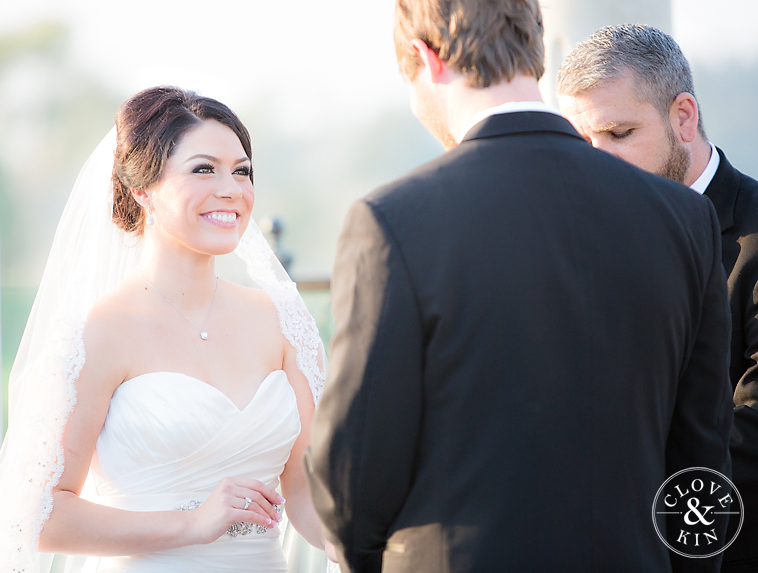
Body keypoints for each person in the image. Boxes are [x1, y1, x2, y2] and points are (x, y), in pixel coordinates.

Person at [304, 1, 733, 571]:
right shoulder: (683, 217)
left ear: (425, 58)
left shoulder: (392, 220)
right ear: (535, 47)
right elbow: (701, 460)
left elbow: (353, 474)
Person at [0, 87, 333, 572]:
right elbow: (41, 517)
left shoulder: (283, 322)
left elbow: (305, 493)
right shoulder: (99, 330)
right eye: (204, 169)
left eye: (242, 170)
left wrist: (378, 549)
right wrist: (190, 525)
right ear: (142, 191)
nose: (231, 188)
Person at [557, 25, 758, 571]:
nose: (597, 164)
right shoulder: (573, 248)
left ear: (684, 117)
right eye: (584, 144)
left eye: (619, 133)